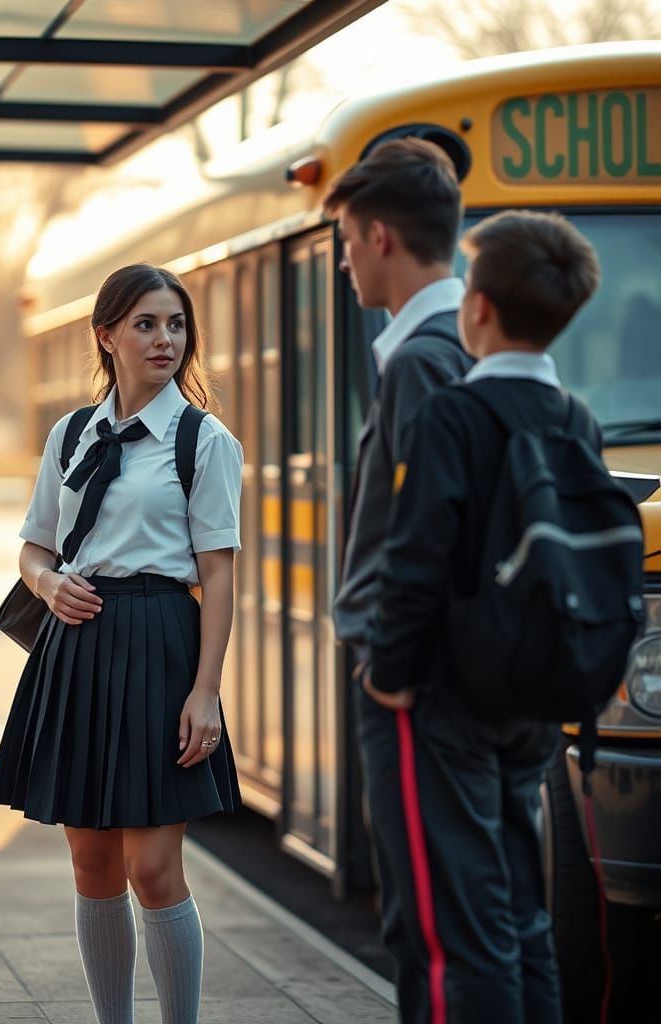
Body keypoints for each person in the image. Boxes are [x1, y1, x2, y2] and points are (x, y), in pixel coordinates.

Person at [360, 210, 601, 1023]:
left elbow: (414, 561)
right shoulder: (576, 417)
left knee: (466, 926)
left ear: (480, 310)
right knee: (525, 913)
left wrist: (387, 674)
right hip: (535, 696)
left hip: (451, 700)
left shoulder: (450, 417)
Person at [0, 264, 242, 1024]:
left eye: (175, 324)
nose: (165, 339)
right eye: (145, 324)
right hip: (77, 646)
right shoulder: (71, 433)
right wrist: (46, 585)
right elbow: (34, 548)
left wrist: (206, 691)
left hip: (162, 643)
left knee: (154, 869)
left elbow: (219, 576)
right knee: (91, 862)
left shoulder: (203, 439)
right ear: (106, 335)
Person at [323, 139, 473, 1014]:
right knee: (480, 913)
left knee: (427, 920)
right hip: (452, 681)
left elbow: (424, 539)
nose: (343, 259)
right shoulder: (469, 344)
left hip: (412, 692)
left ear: (380, 237)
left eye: (345, 238)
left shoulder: (420, 362)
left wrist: (387, 669)